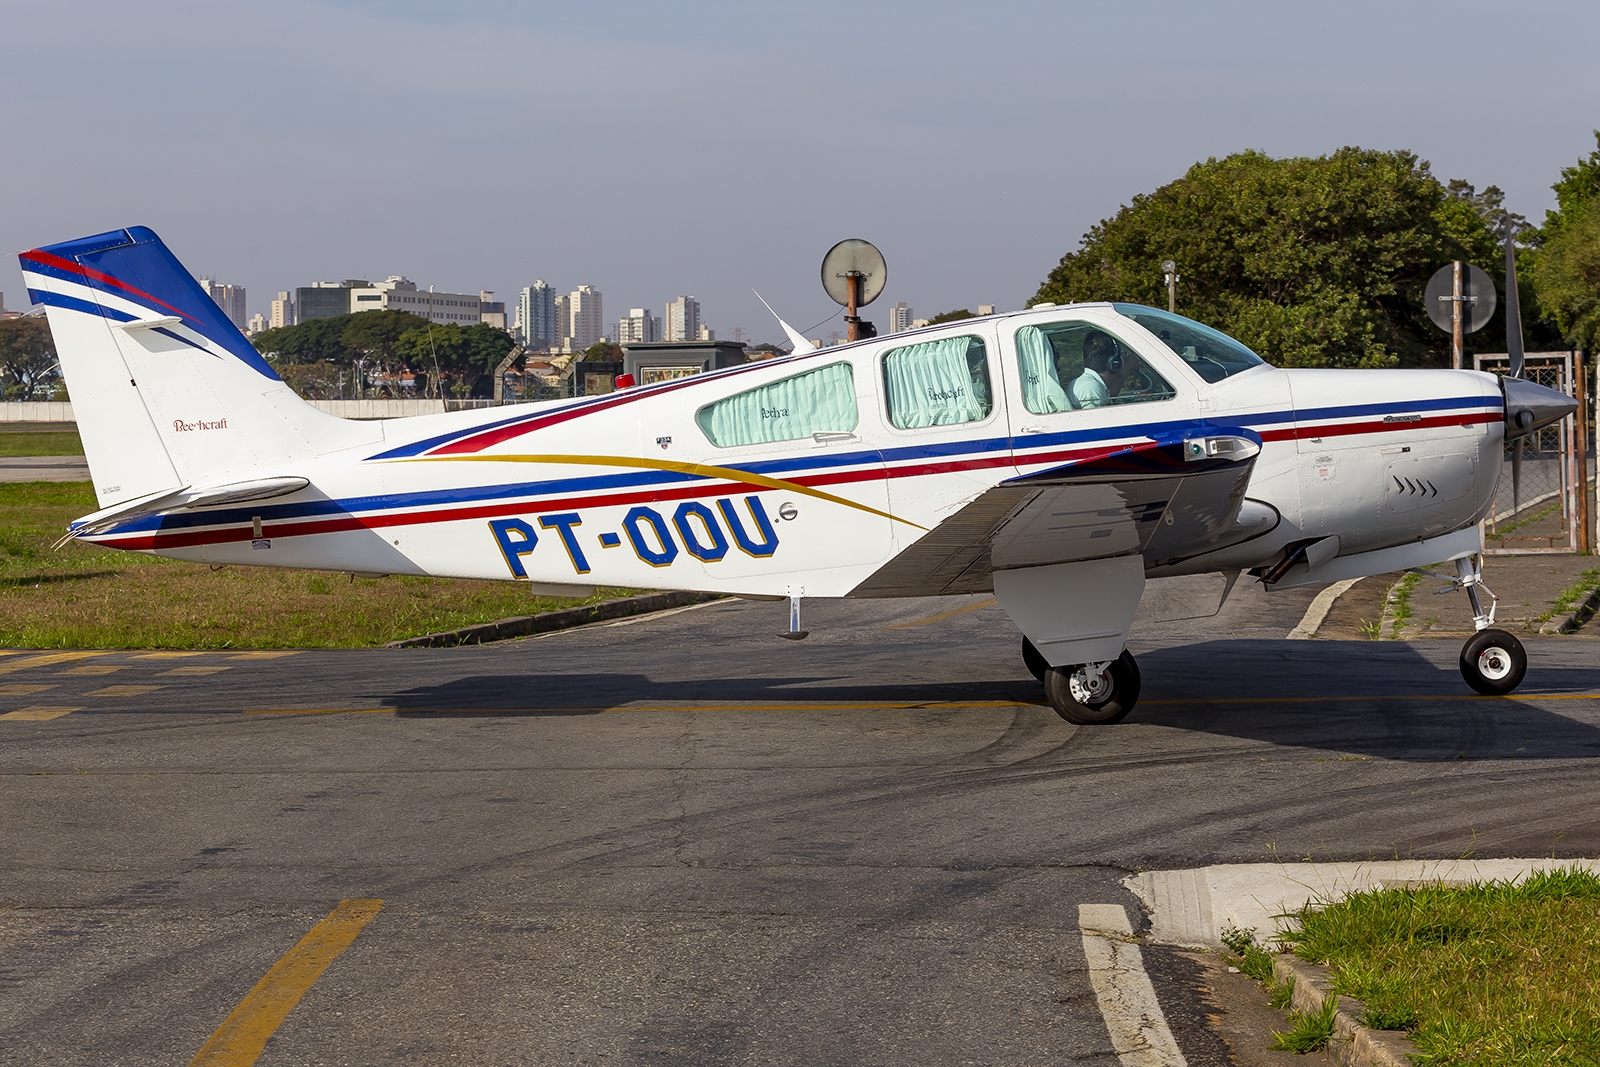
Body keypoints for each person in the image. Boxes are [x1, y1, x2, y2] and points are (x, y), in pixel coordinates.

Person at [1071, 330, 1134, 409]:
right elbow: (1100, 420)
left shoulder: (1091, 384)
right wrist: (1125, 370)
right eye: (1122, 355)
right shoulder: (1091, 389)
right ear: (1115, 362)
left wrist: (1124, 373)